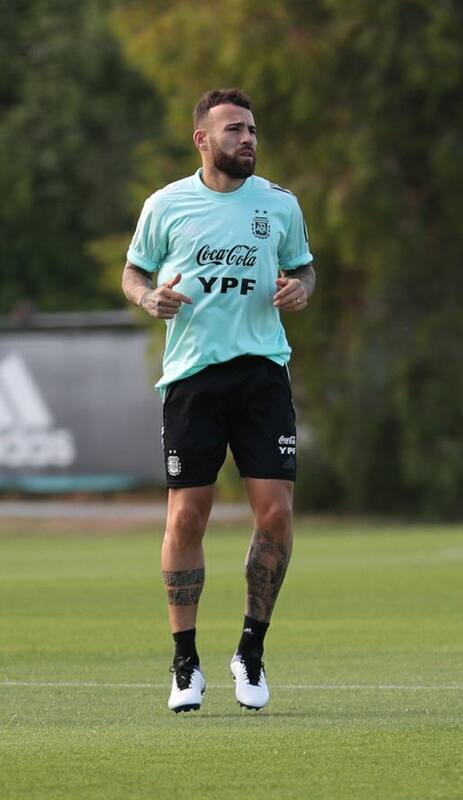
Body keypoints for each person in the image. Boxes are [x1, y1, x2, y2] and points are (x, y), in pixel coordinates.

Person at [122, 88, 316, 713]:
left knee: (276, 515)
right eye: (235, 130)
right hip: (193, 379)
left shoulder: (280, 205)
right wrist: (150, 298)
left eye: (253, 129)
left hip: (263, 373)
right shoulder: (166, 204)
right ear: (203, 139)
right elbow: (134, 273)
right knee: (187, 518)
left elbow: (304, 268)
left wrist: (299, 288)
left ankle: (251, 650)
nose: (248, 139)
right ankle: (185, 663)